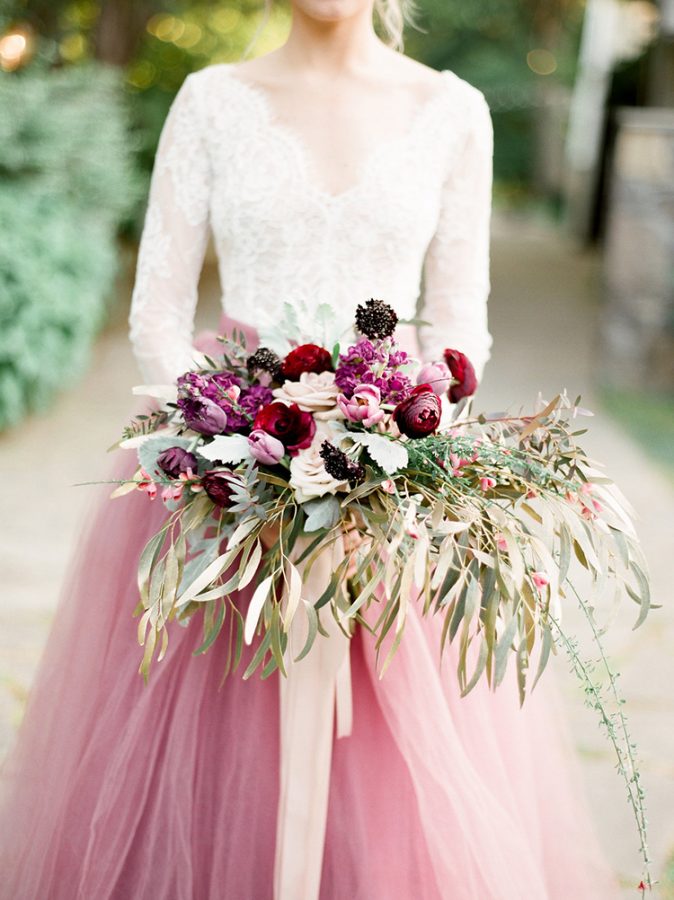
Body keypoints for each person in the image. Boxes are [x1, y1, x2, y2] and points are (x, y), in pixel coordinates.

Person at [0, 1, 620, 897]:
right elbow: (158, 314)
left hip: (394, 492)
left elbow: (457, 322)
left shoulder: (454, 112)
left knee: (386, 782)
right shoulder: (211, 102)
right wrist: (226, 441)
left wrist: (400, 432)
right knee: (210, 768)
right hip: (225, 486)